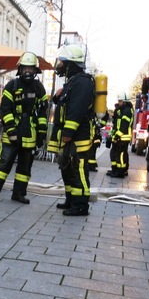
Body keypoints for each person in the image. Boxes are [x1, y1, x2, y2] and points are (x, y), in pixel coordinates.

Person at [0, 52, 48, 204]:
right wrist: (11, 130)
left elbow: (43, 113)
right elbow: (5, 110)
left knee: (25, 168)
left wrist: (41, 134)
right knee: (4, 164)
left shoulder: (39, 88)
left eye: (31, 69)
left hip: (30, 133)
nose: (27, 71)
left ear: (35, 70)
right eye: (25, 68)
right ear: (20, 69)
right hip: (14, 131)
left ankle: (18, 194)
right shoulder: (12, 86)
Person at [48, 44, 95, 216]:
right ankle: (71, 200)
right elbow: (64, 106)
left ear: (70, 64)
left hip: (77, 137)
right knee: (67, 169)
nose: (59, 65)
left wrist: (68, 132)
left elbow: (76, 110)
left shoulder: (83, 82)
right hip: (70, 137)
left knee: (78, 169)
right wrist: (57, 97)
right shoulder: (73, 82)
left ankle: (81, 205)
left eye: (62, 62)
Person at [107, 93, 133, 178]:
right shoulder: (121, 110)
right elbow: (116, 126)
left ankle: (120, 172)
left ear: (125, 102)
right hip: (119, 136)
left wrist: (117, 137)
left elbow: (124, 126)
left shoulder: (127, 111)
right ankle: (115, 170)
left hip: (123, 137)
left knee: (121, 155)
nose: (119, 102)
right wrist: (112, 136)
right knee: (114, 153)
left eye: (120, 101)